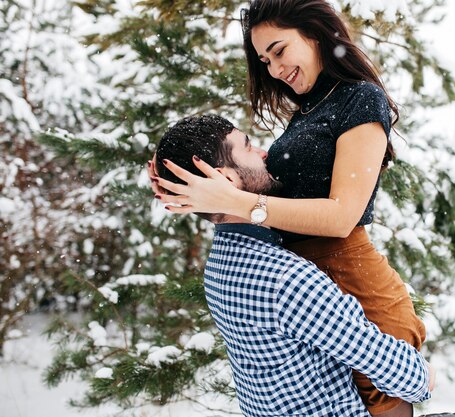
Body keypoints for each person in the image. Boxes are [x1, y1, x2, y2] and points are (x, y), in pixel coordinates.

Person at [149, 1, 428, 415]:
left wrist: (234, 201)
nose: (274, 70)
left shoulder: (360, 101)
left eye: (279, 51)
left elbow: (339, 217)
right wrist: (180, 185)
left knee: (384, 404)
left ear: (314, 33)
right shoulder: (309, 110)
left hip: (354, 280)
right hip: (306, 281)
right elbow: (259, 184)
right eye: (265, 60)